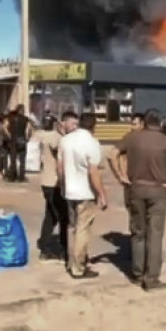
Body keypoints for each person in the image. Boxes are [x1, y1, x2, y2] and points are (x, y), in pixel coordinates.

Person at [112, 109, 166, 291]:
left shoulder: (133, 138)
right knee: (155, 235)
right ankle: (152, 279)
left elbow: (112, 154)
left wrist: (120, 176)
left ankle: (137, 273)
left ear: (145, 121)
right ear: (161, 122)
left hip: (136, 189)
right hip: (158, 191)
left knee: (138, 233)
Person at [58, 112, 107, 279]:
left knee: (71, 228)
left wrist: (63, 186)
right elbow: (93, 172)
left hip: (69, 191)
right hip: (85, 192)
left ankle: (71, 261)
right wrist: (101, 194)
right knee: (82, 230)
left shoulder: (65, 140)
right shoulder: (92, 142)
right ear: (94, 126)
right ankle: (79, 267)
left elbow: (60, 167)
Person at [35, 115, 67, 262]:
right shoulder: (57, 138)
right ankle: (63, 249)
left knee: (51, 216)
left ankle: (45, 246)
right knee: (63, 217)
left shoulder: (47, 136)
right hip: (54, 182)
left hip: (47, 181)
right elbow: (59, 155)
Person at [8, 105, 33, 182]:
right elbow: (29, 128)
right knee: (22, 160)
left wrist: (9, 136)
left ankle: (12, 177)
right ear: (22, 111)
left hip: (13, 141)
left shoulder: (11, 118)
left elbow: (4, 127)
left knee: (13, 160)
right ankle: (21, 177)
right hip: (22, 140)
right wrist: (28, 137)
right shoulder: (26, 119)